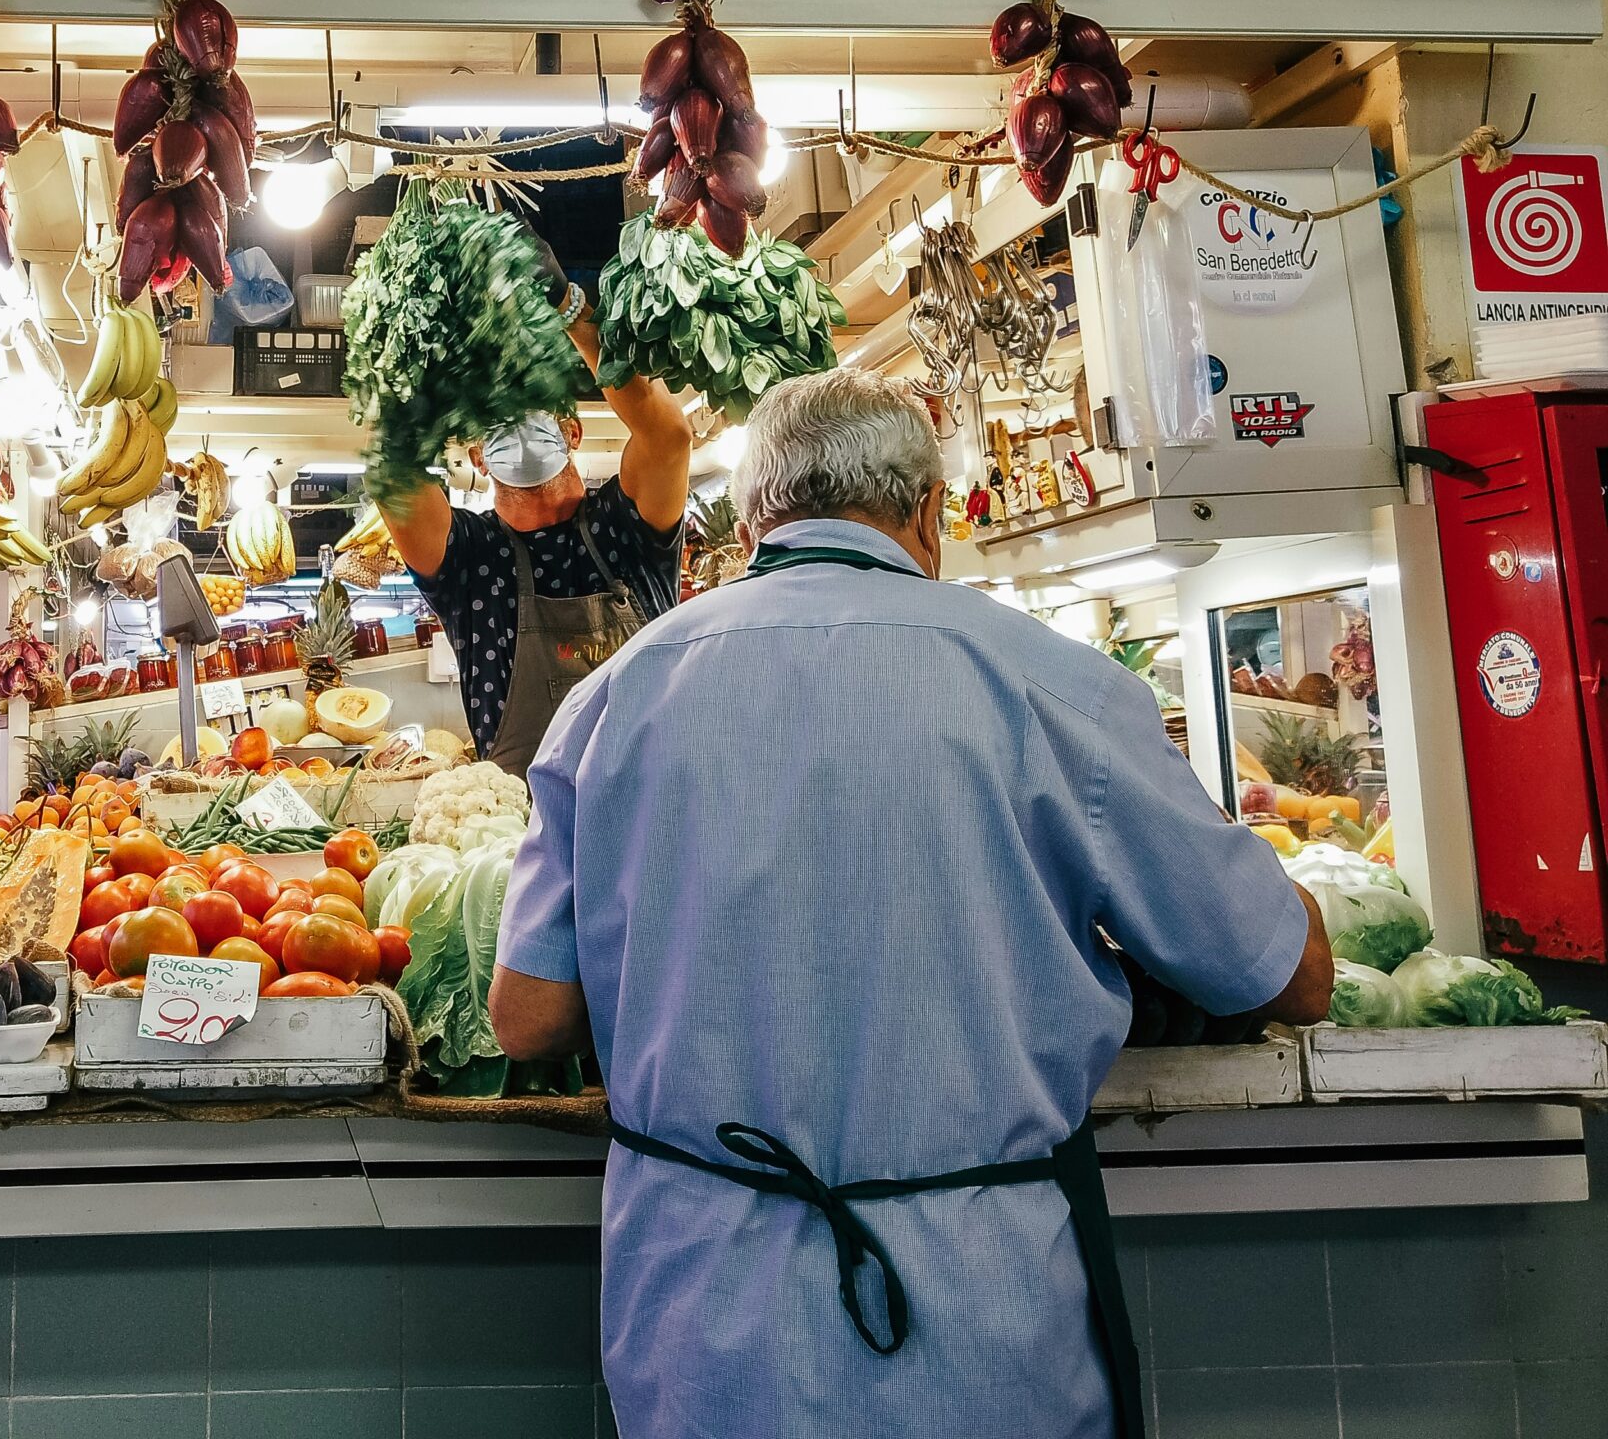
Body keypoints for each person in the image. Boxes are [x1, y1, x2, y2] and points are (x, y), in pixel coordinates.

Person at [489, 368, 1333, 1439]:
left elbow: (527, 1020)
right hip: (977, 1324)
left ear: (754, 522)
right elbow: (1284, 976)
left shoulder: (612, 698)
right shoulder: (1053, 684)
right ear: (928, 513)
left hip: (700, 1321)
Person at [380, 240, 693, 773]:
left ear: (571, 431)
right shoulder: (466, 558)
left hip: (656, 815)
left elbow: (670, 438)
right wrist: (421, 341)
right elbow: (391, 473)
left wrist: (571, 308)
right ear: (477, 456)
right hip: (526, 833)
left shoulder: (627, 525)